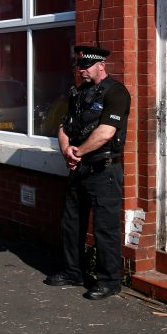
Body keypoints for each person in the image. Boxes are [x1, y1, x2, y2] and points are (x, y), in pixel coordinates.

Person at [44, 44, 131, 300]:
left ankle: (109, 281)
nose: (81, 71)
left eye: (86, 66)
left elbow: (106, 132)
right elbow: (63, 125)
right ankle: (73, 272)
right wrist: (66, 151)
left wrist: (78, 152)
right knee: (71, 224)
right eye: (78, 66)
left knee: (105, 228)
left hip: (104, 170)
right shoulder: (78, 93)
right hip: (79, 168)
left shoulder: (116, 93)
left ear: (101, 65)